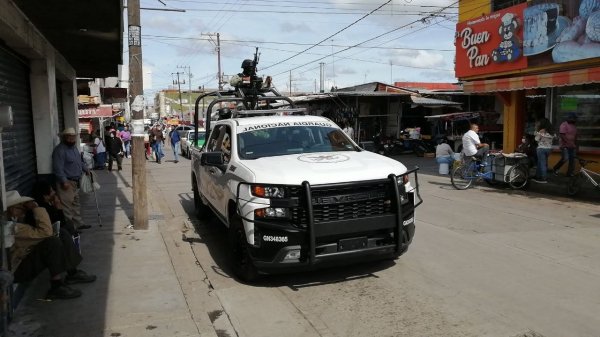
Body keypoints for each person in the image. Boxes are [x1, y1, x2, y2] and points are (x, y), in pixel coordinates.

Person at [6, 190, 95, 300]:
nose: (24, 209)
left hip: (24, 256)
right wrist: (36, 208)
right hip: (17, 270)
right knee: (52, 242)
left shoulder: (15, 221)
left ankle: (72, 272)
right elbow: (45, 232)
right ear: (12, 209)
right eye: (20, 207)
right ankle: (56, 286)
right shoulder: (11, 227)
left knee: (61, 232)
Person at [52, 127, 90, 230]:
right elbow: (58, 168)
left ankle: (78, 224)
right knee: (67, 207)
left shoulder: (74, 148)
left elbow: (79, 162)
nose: (71, 139)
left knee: (76, 204)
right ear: (64, 137)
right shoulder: (60, 150)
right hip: (67, 182)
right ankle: (70, 228)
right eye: (69, 137)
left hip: (75, 181)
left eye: (73, 137)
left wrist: (86, 169)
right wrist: (64, 181)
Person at [552, 112, 578, 176]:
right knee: (565, 158)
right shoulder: (564, 124)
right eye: (574, 118)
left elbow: (576, 137)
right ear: (569, 118)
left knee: (572, 160)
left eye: (575, 118)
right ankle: (555, 168)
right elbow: (562, 135)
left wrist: (576, 146)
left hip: (572, 146)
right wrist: (569, 142)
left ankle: (570, 173)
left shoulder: (574, 126)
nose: (575, 120)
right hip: (565, 146)